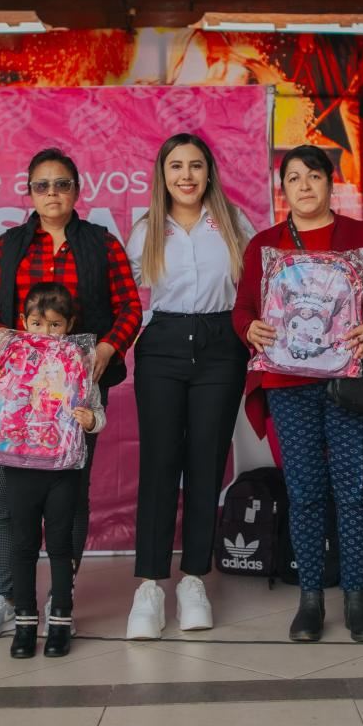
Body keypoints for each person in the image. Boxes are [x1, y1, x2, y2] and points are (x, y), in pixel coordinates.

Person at [233, 145, 363, 643]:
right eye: (294, 178)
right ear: (283, 188)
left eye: (314, 176)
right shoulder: (265, 246)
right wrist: (250, 328)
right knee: (306, 492)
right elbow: (243, 306)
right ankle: (310, 599)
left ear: (329, 183)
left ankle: (357, 599)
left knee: (354, 492)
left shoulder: (362, 237)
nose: (305, 186)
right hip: (289, 385)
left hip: (347, 381)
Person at [0, 148, 143, 640]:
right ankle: (4, 597)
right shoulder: (10, 244)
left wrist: (108, 347)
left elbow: (130, 306)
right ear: (29, 192)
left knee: (71, 497)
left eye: (61, 184)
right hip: (15, 397)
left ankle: (59, 600)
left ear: (77, 189)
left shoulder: (101, 244)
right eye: (41, 185)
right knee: (1, 498)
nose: (52, 194)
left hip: (74, 398)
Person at [124, 134, 255, 639]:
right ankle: (150, 587)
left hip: (223, 343)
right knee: (159, 463)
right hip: (163, 345)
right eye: (175, 166)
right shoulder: (145, 230)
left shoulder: (234, 224)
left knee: (206, 460)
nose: (186, 175)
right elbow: (123, 295)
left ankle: (194, 579)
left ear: (209, 173)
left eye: (195, 166)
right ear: (162, 174)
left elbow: (256, 285)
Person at [0, 283, 107, 659]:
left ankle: (61, 621)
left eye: (54, 325)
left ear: (69, 325)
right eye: (37, 323)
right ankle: (24, 623)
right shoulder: (10, 358)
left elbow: (97, 412)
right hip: (20, 465)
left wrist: (90, 421)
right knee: (22, 545)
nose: (45, 332)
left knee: (60, 544)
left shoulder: (77, 363)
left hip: (62, 468)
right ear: (23, 323)